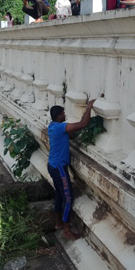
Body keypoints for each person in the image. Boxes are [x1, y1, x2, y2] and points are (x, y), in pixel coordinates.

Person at [48, 99, 96, 240]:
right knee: (68, 198)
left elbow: (71, 134)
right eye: (63, 114)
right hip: (59, 168)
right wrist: (89, 107)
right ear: (58, 115)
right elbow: (83, 124)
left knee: (59, 195)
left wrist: (74, 132)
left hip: (52, 165)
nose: (65, 115)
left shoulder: (53, 126)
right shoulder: (59, 128)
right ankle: (67, 230)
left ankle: (58, 223)